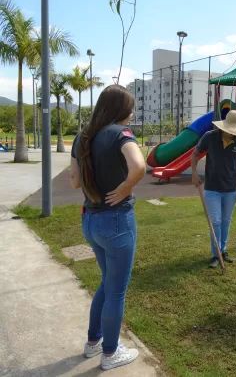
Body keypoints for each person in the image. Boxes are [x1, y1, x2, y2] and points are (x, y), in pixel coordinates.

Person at [70, 84, 146, 370]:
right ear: (122, 110)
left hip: (90, 220)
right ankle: (110, 353)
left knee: (107, 283)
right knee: (116, 290)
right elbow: (139, 166)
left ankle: (93, 343)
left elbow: (75, 181)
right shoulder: (121, 134)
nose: (133, 112)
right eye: (131, 107)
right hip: (116, 222)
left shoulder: (82, 137)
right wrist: (126, 187)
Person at [191, 110, 236, 268]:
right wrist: (193, 173)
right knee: (216, 222)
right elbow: (195, 154)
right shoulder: (210, 137)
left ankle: (223, 250)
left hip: (231, 189)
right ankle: (215, 254)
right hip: (212, 188)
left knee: (226, 221)